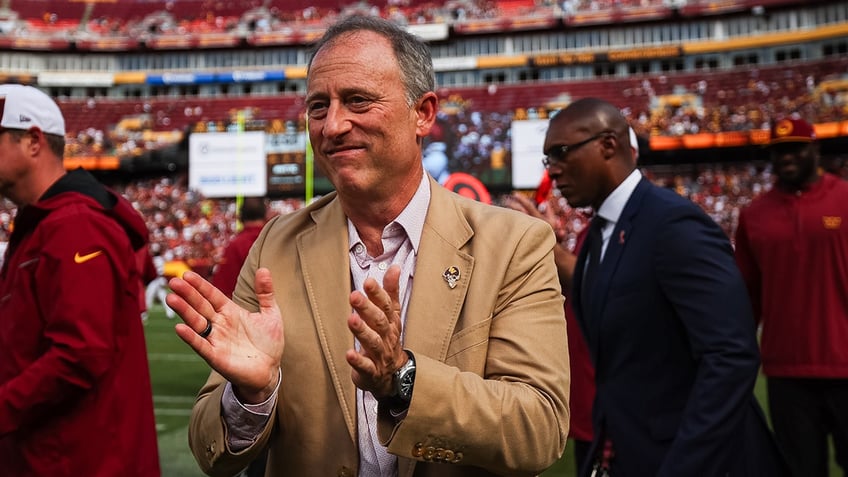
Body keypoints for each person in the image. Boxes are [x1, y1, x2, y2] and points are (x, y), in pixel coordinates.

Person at [166, 15, 570, 477]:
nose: (333, 125)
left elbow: (539, 428)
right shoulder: (274, 246)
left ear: (423, 113)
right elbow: (209, 447)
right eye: (318, 107)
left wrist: (403, 380)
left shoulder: (514, 244)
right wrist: (251, 396)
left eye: (357, 100)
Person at [544, 97, 787, 476]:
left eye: (561, 152)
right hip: (631, 451)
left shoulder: (673, 225)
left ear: (608, 145)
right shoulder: (598, 236)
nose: (553, 171)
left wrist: (685, 466)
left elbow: (731, 355)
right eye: (548, 159)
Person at [0, 84, 160, 476]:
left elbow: (80, 353)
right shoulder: (44, 224)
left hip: (79, 458)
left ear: (33, 141)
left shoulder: (75, 225)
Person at [734, 117, 848, 477]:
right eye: (779, 150)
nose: (787, 157)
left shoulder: (845, 199)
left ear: (815, 149)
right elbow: (747, 297)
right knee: (799, 471)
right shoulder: (753, 215)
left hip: (845, 363)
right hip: (786, 372)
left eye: (795, 148)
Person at [212, 196, 269, 299]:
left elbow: (223, 289)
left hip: (245, 310)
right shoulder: (274, 240)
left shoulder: (235, 245)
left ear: (240, 217)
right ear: (265, 216)